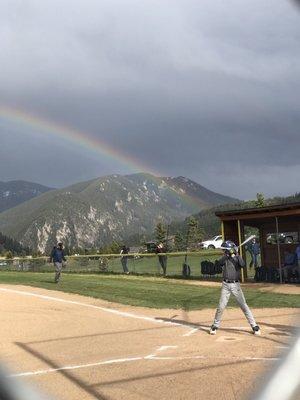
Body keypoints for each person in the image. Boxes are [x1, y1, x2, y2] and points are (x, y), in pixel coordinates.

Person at [210, 240, 261, 335]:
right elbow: (219, 263)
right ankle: (215, 325)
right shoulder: (224, 258)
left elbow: (242, 264)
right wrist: (228, 254)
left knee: (243, 305)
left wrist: (236, 254)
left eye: (224, 250)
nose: (223, 251)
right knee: (221, 307)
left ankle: (254, 326)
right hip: (225, 285)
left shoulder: (236, 257)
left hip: (235, 285)